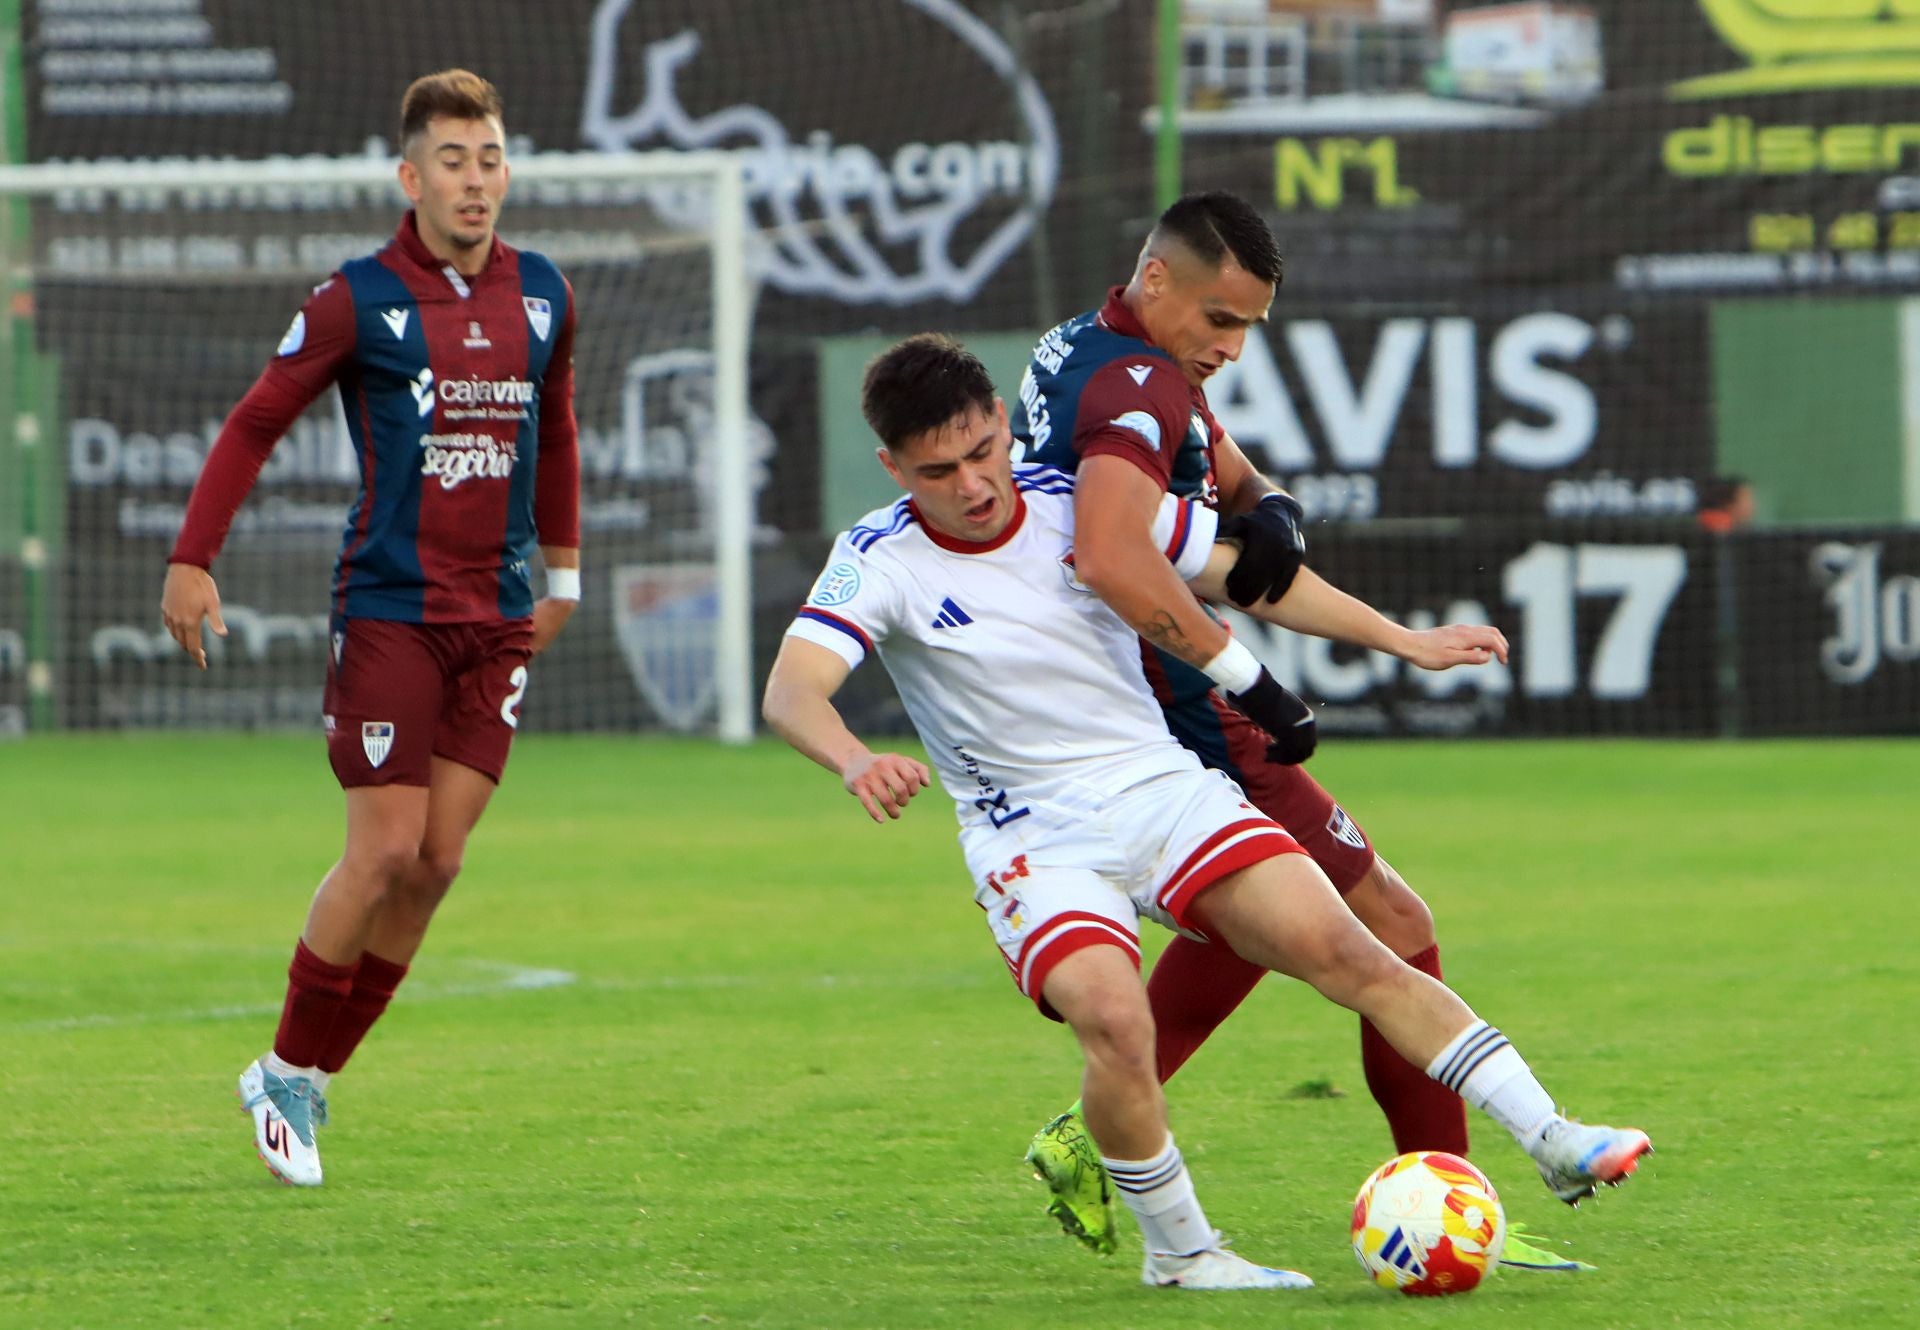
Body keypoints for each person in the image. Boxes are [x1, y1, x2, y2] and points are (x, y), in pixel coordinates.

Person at [763, 333, 1650, 1291]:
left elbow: (1251, 578)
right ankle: (1183, 1254)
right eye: (940, 471)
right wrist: (856, 762)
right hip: (1033, 840)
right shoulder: (878, 559)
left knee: (1356, 951)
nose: (975, 485)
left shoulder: (1079, 508)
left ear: (999, 430)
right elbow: (793, 691)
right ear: (894, 466)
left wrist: (1407, 641)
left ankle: (1551, 1136)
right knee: (1113, 1020)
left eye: (983, 452)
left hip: (1164, 793)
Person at [1010, 190, 1581, 1270]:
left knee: (1280, 930)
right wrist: (1244, 673)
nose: (1230, 346)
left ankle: (1093, 1130)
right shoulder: (1136, 385)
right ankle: (1460, 1204)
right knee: (1387, 930)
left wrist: (1271, 506)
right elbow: (1112, 553)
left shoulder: (1098, 348)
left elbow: (1226, 474)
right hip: (1182, 711)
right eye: (1219, 320)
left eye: (1250, 328)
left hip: (1160, 705)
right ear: (1159, 276)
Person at [158, 69, 581, 1187]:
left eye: (490, 157)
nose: (476, 179)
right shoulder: (359, 297)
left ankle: (304, 1078)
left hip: (496, 619)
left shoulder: (544, 294)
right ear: (411, 177)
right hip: (392, 610)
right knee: (386, 847)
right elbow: (256, 421)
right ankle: (288, 1066)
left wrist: (568, 574)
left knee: (438, 863)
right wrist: (193, 558)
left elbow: (565, 431)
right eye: (454, 160)